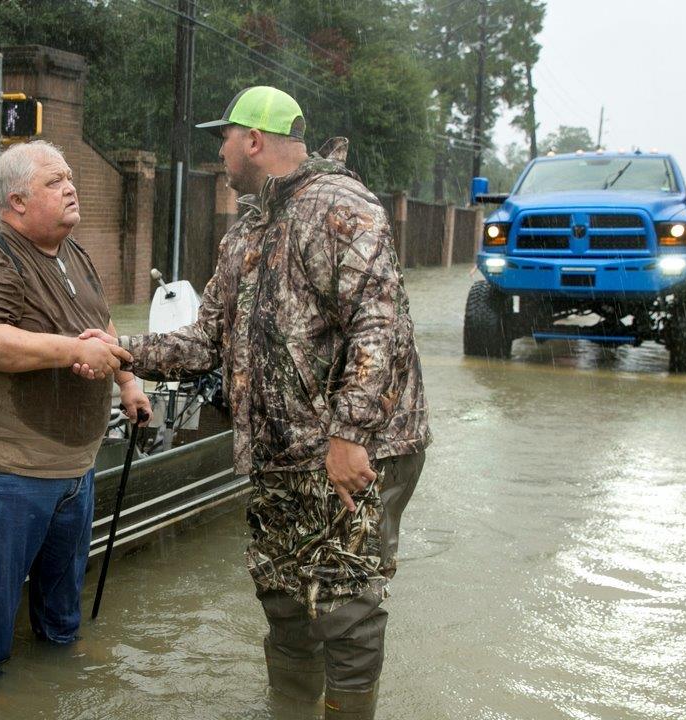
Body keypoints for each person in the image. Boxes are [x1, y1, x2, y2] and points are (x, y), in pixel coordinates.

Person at [81, 87, 430, 719]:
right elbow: (205, 338)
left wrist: (349, 435)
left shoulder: (343, 206)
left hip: (350, 452)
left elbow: (381, 326)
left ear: (254, 140)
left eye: (224, 138)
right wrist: (119, 349)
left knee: (347, 606)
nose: (219, 152)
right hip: (278, 458)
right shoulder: (246, 231)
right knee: (285, 601)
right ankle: (290, 710)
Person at [0, 140, 150, 673]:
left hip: (74, 465)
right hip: (1, 466)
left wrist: (128, 380)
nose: (71, 188)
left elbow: (100, 318)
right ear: (16, 201)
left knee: (63, 608)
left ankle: (58, 682)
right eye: (54, 182)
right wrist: (74, 350)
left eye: (69, 177)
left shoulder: (73, 251)